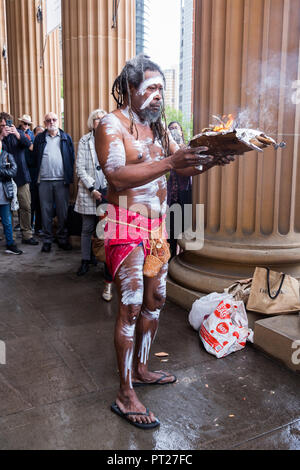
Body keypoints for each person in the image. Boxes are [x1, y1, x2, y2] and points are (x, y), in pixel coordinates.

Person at [95, 53, 235, 429]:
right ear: (128, 88)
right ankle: (125, 395)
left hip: (158, 228)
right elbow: (117, 175)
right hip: (124, 226)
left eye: (162, 88)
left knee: (156, 300)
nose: (158, 95)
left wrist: (210, 158)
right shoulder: (112, 124)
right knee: (130, 305)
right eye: (151, 87)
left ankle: (141, 368)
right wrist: (174, 163)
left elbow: (182, 164)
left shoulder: (159, 129)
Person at [74, 109, 113, 301]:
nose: (100, 120)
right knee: (87, 227)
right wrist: (92, 188)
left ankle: (102, 260)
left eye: (103, 118)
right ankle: (85, 260)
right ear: (92, 122)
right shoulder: (84, 140)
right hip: (90, 190)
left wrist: (108, 187)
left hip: (107, 191)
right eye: (97, 118)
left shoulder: (112, 138)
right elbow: (79, 167)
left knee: (105, 230)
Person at [33, 112, 75, 253]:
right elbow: (35, 158)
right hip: (44, 180)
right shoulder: (39, 138)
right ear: (45, 123)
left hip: (61, 181)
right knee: (46, 212)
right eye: (48, 120)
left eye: (54, 119)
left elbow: (71, 158)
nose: (51, 122)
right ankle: (47, 240)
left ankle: (62, 239)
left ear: (58, 121)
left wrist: (69, 177)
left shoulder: (66, 138)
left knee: (62, 212)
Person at [0, 112, 38, 246]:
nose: (5, 127)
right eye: (2, 125)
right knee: (7, 209)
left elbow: (30, 146)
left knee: (26, 206)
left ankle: (27, 234)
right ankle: (11, 238)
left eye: (6, 124)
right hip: (4, 178)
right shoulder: (1, 139)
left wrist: (17, 134)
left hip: (21, 176)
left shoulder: (18, 134)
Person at [167, 121, 192, 258]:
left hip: (185, 195)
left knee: (184, 229)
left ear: (181, 131)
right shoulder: (166, 150)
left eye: (176, 128)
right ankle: (169, 259)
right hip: (171, 197)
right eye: (171, 129)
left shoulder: (188, 148)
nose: (173, 131)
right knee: (171, 231)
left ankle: (184, 258)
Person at [0, 138, 22, 254]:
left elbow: (13, 172)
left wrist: (0, 171)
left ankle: (10, 244)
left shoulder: (8, 156)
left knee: (7, 221)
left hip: (4, 193)